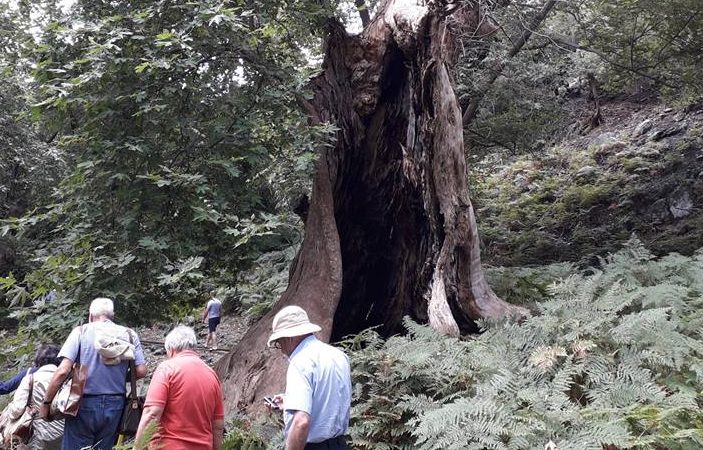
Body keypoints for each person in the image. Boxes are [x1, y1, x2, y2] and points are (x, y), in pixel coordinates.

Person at [39, 297, 147, 450]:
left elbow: (62, 371)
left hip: (83, 403)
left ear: (90, 316)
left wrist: (46, 403)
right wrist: (122, 376)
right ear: (112, 316)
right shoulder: (130, 334)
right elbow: (141, 371)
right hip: (115, 404)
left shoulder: (81, 332)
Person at [267, 305, 351, 450]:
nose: (281, 350)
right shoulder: (339, 356)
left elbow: (301, 422)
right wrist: (290, 403)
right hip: (339, 444)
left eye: (279, 342)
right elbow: (328, 402)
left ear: (290, 337)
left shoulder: (300, 362)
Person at [134, 325, 224, 450]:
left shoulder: (167, 369)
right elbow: (218, 425)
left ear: (171, 349)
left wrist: (137, 448)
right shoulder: (212, 375)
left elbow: (152, 413)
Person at [5, 344, 64, 449]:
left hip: (39, 434)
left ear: (38, 361)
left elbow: (16, 410)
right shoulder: (67, 379)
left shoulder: (30, 379)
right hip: (64, 432)